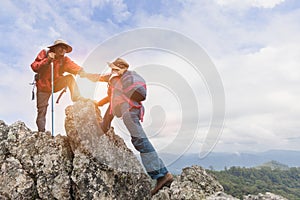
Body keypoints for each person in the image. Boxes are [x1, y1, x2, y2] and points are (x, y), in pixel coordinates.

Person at [81, 58, 173, 195]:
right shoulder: (117, 79)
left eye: (114, 69)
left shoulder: (121, 78)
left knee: (140, 140)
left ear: (120, 69)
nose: (111, 71)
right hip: (124, 109)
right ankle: (162, 175)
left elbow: (116, 94)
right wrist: (84, 74)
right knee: (107, 128)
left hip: (129, 111)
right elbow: (105, 86)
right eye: (111, 69)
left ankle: (162, 174)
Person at [31, 39, 86, 132]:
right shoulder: (45, 53)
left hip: (55, 84)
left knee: (69, 78)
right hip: (43, 86)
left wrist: (81, 71)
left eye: (65, 48)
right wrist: (48, 60)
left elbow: (72, 66)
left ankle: (77, 98)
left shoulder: (64, 60)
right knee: (41, 111)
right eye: (61, 47)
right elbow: (35, 66)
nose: (63, 50)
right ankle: (42, 132)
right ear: (55, 48)